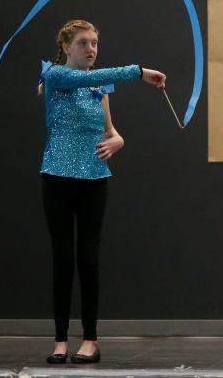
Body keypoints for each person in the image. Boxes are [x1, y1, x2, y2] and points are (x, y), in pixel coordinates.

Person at [38, 19, 166, 364]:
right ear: (66, 47)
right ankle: (60, 339)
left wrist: (118, 141)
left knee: (88, 260)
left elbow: (112, 131)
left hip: (94, 179)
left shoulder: (100, 85)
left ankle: (91, 340)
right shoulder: (54, 76)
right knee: (62, 260)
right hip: (57, 178)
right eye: (82, 43)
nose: (90, 49)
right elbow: (86, 77)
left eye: (94, 43)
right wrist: (139, 72)